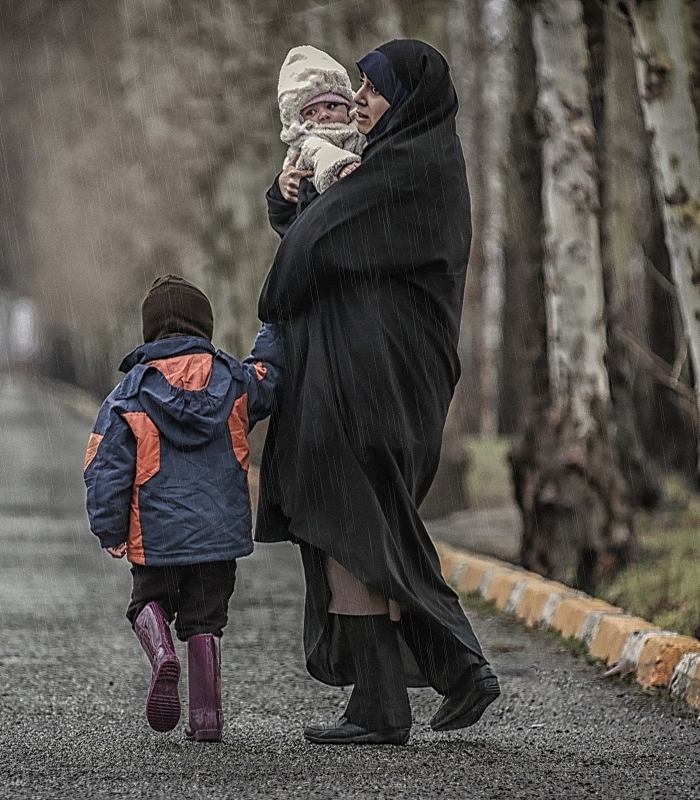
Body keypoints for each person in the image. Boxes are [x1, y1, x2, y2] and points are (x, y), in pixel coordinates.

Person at [256, 40, 500, 746]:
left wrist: (281, 285)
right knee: (362, 523)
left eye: (370, 87)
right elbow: (311, 231)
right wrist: (287, 195)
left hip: (376, 384)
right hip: (362, 378)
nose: (357, 99)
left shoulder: (409, 170)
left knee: (352, 519)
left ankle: (440, 672)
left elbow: (311, 251)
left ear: (409, 95)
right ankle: (395, 695)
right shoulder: (401, 162)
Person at [83, 275, 282, 743]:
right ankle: (206, 718)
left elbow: (103, 465)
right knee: (206, 619)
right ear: (205, 326)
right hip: (217, 537)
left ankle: (161, 656)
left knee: (145, 603)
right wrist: (275, 323)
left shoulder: (130, 392)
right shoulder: (233, 380)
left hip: (156, 537)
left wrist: (109, 528)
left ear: (149, 331)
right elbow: (268, 379)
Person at [276, 45, 366, 202]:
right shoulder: (307, 142)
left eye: (331, 106)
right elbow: (319, 154)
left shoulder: (362, 127)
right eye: (311, 112)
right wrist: (339, 167)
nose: (323, 115)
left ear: (347, 108)